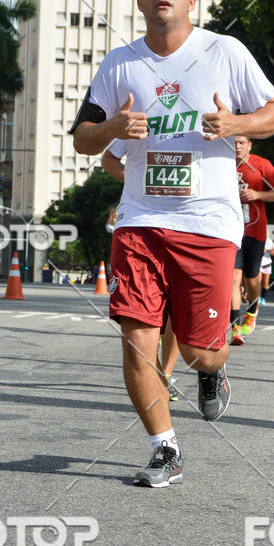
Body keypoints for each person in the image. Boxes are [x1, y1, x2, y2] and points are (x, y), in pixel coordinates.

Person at [72, 0, 274, 487]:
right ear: (140, 0)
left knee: (198, 352)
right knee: (136, 337)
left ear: (191, 1)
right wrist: (113, 128)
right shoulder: (119, 64)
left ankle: (213, 373)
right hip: (140, 221)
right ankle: (164, 448)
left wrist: (237, 123)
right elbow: (82, 139)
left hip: (208, 223)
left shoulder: (224, 51)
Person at [102, 141, 180, 401]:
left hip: (190, 230)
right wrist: (138, 180)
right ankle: (159, 376)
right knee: (138, 327)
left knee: (178, 319)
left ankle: (166, 373)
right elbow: (108, 158)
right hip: (139, 233)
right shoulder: (139, 122)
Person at [230, 137, 274, 346]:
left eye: (241, 142)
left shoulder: (262, 165)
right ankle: (235, 328)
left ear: (250, 145)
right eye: (234, 142)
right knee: (234, 278)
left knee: (251, 279)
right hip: (230, 231)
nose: (237, 146)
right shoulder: (222, 163)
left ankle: (252, 311)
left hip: (255, 230)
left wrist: (257, 194)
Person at [259, 237, 274, 305]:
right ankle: (257, 297)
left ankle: (262, 297)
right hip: (257, 263)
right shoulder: (255, 238)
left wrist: (266, 250)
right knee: (258, 281)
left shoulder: (268, 240)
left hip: (266, 263)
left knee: (265, 283)